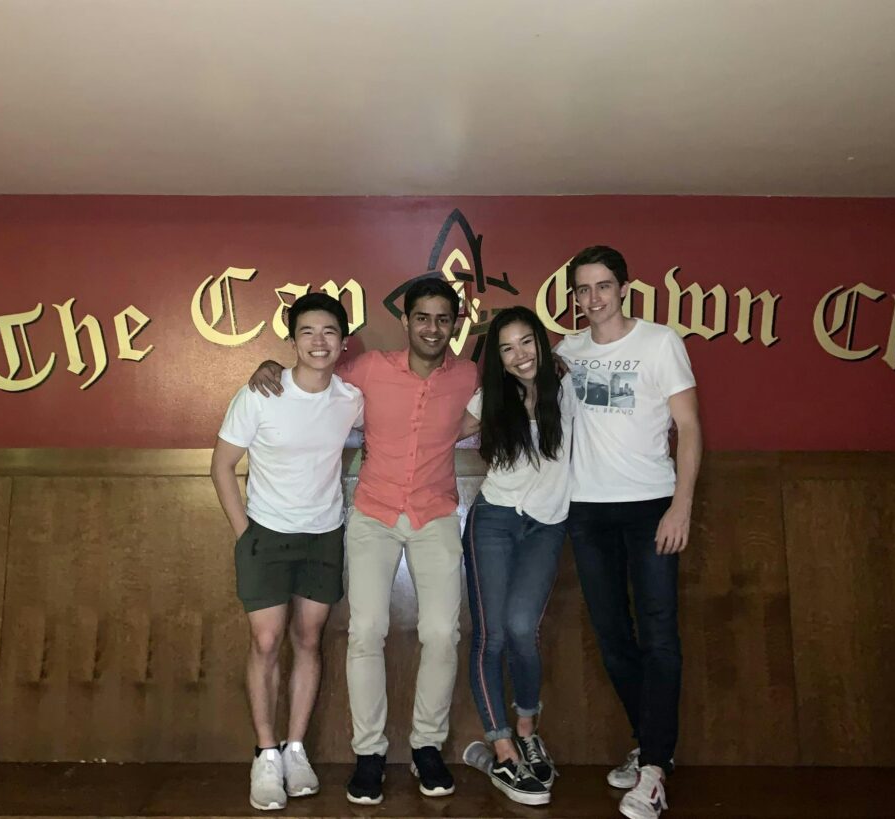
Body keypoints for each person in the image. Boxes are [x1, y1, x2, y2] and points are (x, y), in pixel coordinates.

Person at [248, 278, 477, 805]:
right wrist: (270, 371)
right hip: (373, 514)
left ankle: (426, 747)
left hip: (436, 513)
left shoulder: (467, 375)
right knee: (365, 631)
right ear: (408, 322)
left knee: (442, 633)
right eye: (423, 317)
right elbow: (314, 374)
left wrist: (554, 371)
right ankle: (369, 753)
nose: (433, 328)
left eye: (444, 319)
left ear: (455, 325)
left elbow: (509, 393)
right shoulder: (370, 368)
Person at [555, 246, 702, 819]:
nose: (593, 299)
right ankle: (652, 747)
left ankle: (654, 771)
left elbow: (689, 429)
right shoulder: (567, 351)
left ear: (623, 288)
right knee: (614, 636)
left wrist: (681, 507)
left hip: (650, 509)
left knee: (659, 634)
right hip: (586, 512)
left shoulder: (660, 342)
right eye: (582, 290)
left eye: (603, 287)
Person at [211, 293, 364, 811]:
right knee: (266, 640)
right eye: (307, 332)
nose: (319, 342)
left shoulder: (351, 398)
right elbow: (221, 466)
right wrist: (244, 532)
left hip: (324, 534)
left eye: (328, 332)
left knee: (309, 637)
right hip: (265, 534)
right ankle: (265, 752)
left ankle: (296, 748)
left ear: (343, 342)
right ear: (292, 339)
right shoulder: (261, 393)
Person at [457, 306, 575, 806]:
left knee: (524, 628)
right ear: (498, 359)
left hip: (547, 526)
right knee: (493, 633)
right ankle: (502, 746)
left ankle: (527, 728)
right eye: (507, 348)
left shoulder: (570, 389)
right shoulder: (490, 399)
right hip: (494, 522)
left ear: (542, 345)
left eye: (527, 342)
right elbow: (439, 434)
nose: (520, 355)